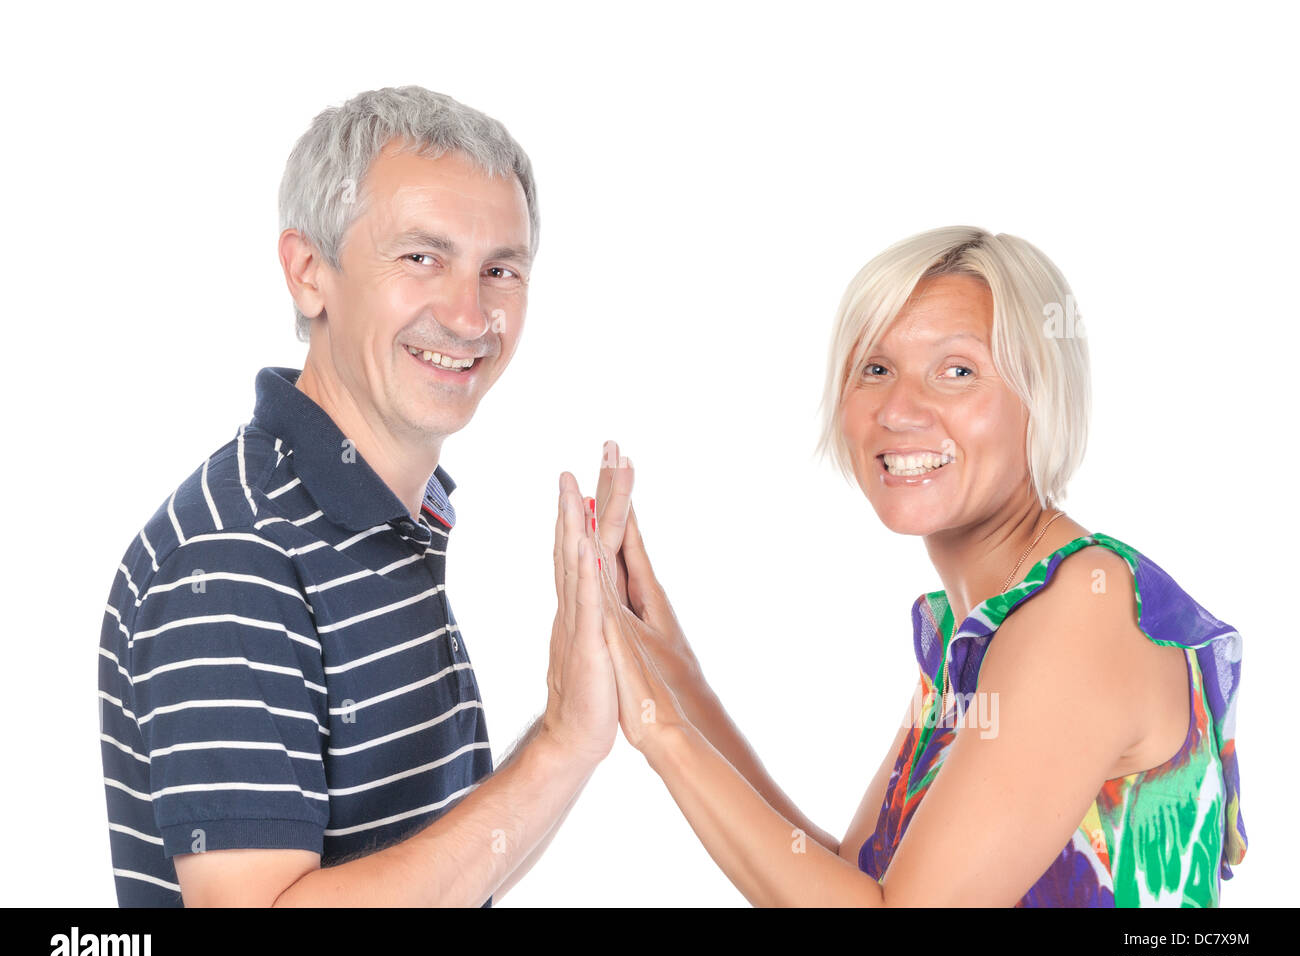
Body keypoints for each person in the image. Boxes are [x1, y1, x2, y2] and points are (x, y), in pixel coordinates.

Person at [591, 227, 1247, 906]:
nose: (899, 409)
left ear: (1042, 397)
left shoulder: (1082, 607)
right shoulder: (986, 627)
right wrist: (677, 680)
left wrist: (658, 731)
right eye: (875, 368)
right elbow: (852, 878)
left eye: (957, 370)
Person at [97, 85, 634, 907]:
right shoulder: (235, 556)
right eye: (422, 256)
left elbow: (443, 871)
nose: (469, 314)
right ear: (310, 272)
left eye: (501, 269)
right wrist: (561, 741)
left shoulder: (392, 517)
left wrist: (581, 717)